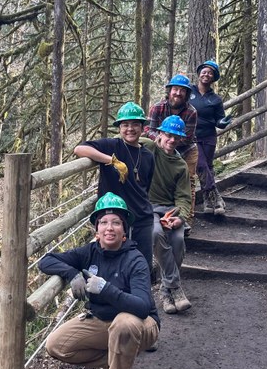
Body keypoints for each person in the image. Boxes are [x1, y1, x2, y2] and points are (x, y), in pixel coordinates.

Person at [39, 192, 159, 369]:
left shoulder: (135, 259)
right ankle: (121, 360)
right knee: (56, 345)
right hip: (102, 322)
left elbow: (143, 307)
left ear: (125, 231)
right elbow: (46, 260)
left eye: (116, 222)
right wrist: (72, 273)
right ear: (96, 230)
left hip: (141, 324)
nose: (109, 227)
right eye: (103, 222)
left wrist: (105, 289)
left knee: (125, 323)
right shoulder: (90, 252)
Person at [74, 102, 155, 272]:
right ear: (119, 128)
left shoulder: (147, 155)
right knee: (114, 268)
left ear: (142, 128)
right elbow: (79, 149)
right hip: (116, 219)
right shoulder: (112, 146)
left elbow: (146, 187)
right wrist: (111, 161)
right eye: (125, 125)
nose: (130, 129)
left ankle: (141, 297)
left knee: (142, 267)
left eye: (135, 124)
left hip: (143, 218)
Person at [140, 115, 192, 314]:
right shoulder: (150, 148)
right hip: (148, 208)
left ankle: (165, 290)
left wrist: (180, 217)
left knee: (178, 240)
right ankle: (175, 288)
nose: (171, 140)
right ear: (160, 134)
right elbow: (127, 140)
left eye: (176, 138)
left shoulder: (180, 166)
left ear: (180, 140)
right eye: (168, 135)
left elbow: (184, 198)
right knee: (154, 233)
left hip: (170, 211)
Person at [145, 74, 198, 224]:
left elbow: (187, 137)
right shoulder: (158, 107)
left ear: (187, 94)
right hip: (162, 147)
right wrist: (161, 140)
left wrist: (171, 140)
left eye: (182, 90)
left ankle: (186, 219)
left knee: (188, 182)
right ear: (169, 91)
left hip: (187, 150)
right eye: (175, 89)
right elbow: (149, 129)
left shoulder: (191, 111)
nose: (178, 93)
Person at [189, 60, 230, 215]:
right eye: (204, 72)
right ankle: (217, 197)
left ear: (213, 78)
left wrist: (223, 123)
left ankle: (207, 201)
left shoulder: (215, 99)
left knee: (208, 167)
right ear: (199, 74)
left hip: (209, 137)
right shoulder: (189, 92)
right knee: (200, 165)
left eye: (210, 73)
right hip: (192, 136)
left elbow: (219, 121)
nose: (206, 75)